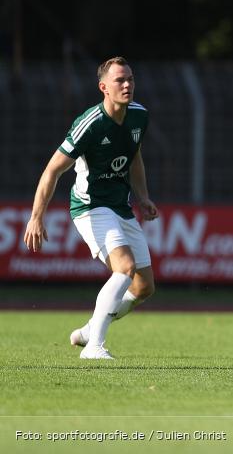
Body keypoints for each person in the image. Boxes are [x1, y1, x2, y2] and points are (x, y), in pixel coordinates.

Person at [23, 57, 157, 360]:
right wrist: (36, 216)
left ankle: (88, 330)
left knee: (145, 286)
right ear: (103, 88)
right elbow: (52, 170)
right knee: (124, 268)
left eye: (131, 79)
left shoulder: (139, 116)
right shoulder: (90, 124)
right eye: (120, 80)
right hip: (90, 206)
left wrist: (143, 196)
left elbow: (134, 157)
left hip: (120, 206)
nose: (127, 85)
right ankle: (94, 347)